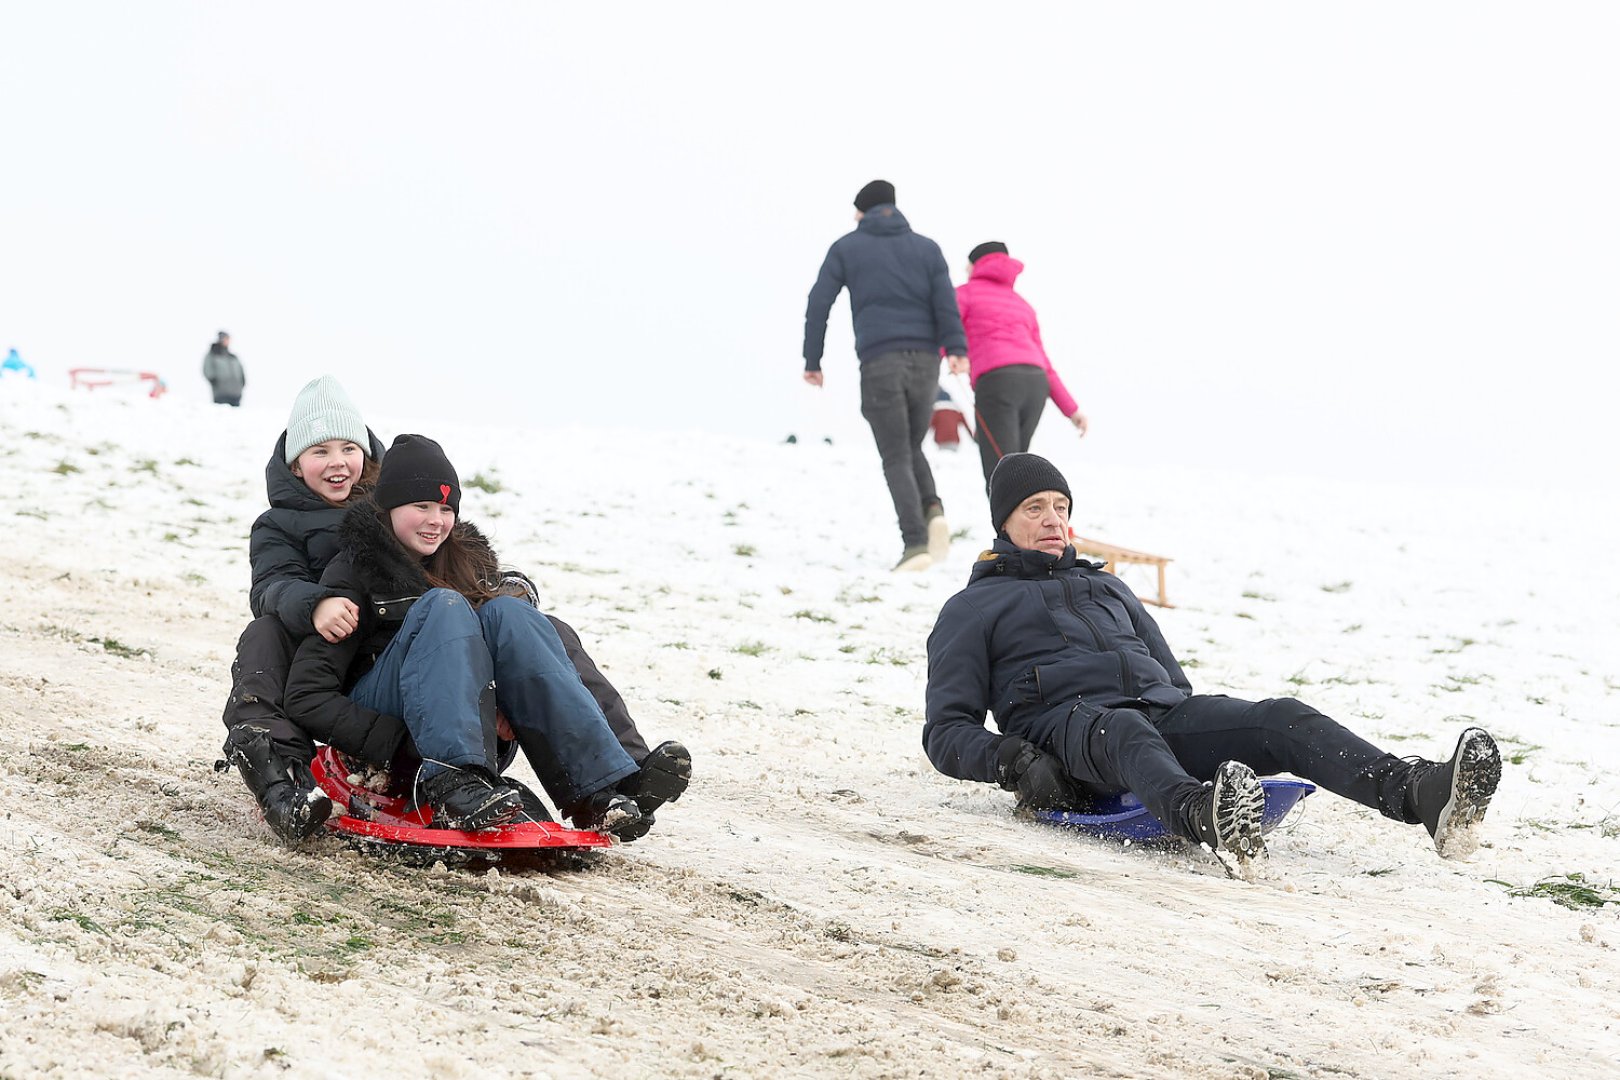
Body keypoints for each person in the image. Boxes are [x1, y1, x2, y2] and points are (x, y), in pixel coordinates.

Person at [923, 453, 1502, 868]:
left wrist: (1200, 731)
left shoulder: (1109, 587)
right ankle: (1203, 815)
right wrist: (1015, 761)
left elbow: (1172, 682)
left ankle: (1418, 792)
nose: (1053, 519)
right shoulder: (973, 608)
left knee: (1278, 716)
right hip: (1068, 736)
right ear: (1004, 522)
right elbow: (945, 731)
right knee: (1122, 727)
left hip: (1153, 717)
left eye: (1060, 506)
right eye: (1034, 508)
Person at [220, 380, 687, 844]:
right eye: (320, 451)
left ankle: (608, 783)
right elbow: (275, 589)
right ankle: (285, 776)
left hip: (448, 701)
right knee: (269, 633)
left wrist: (501, 690)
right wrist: (315, 605)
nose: (338, 461)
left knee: (534, 625)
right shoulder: (338, 550)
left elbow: (492, 614)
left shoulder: (436, 541)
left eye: (348, 448)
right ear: (295, 464)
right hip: (355, 679)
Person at [802, 180, 968, 572]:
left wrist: (813, 360)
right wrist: (956, 349)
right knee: (909, 444)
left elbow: (819, 302)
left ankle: (915, 543)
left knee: (895, 453)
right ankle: (932, 508)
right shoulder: (927, 248)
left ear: (863, 210)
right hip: (925, 362)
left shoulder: (847, 247)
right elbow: (945, 302)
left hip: (881, 360)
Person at [950, 243, 1088, 486]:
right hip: (1036, 384)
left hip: (998, 382)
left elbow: (947, 326)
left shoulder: (964, 293)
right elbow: (1046, 364)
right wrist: (1072, 410)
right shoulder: (1023, 305)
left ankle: (1010, 512)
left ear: (975, 265)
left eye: (967, 266)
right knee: (1017, 469)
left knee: (1001, 473)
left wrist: (954, 354)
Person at [203, 331, 245, 406]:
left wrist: (242, 382)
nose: (227, 341)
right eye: (226, 339)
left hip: (235, 394)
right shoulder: (213, 355)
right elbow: (207, 369)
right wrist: (213, 380)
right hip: (221, 394)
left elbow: (241, 371)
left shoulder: (233, 357)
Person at [930, 385, 970, 450]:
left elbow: (929, 425)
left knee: (943, 455)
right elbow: (965, 423)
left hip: (941, 441)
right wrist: (972, 436)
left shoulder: (936, 413)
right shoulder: (955, 412)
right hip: (954, 440)